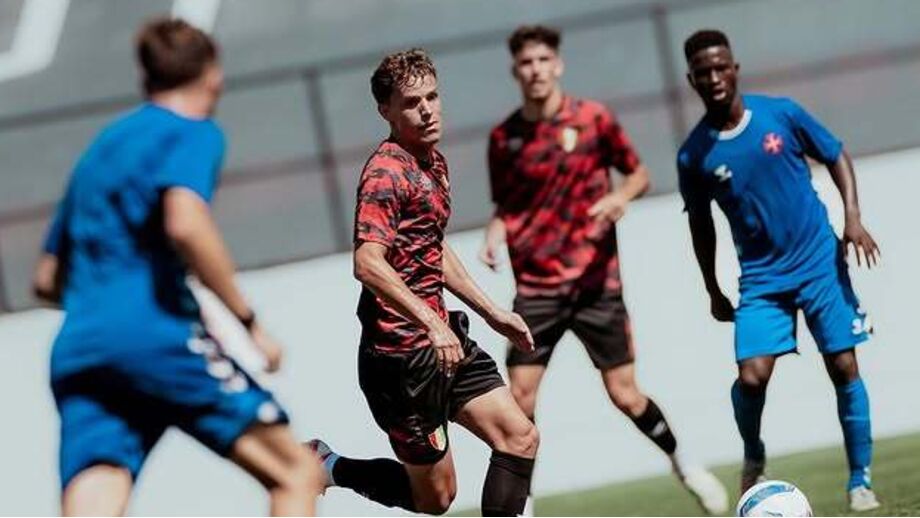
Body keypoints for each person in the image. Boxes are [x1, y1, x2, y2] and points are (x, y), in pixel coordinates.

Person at [32, 18, 323, 516]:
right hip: (155, 334)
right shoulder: (191, 131)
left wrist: (104, 305)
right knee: (298, 472)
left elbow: (45, 279)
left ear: (148, 81)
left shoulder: (100, 151)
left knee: (98, 488)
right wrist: (248, 323)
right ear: (213, 76)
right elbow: (186, 223)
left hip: (81, 348)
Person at [480, 25, 728, 515]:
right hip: (536, 290)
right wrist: (494, 231)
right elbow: (506, 205)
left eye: (543, 60)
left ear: (558, 65)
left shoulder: (594, 119)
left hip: (596, 285)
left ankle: (684, 462)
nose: (535, 70)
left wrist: (619, 196)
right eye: (526, 63)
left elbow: (639, 173)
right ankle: (523, 504)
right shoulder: (504, 138)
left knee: (624, 394)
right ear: (515, 71)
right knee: (518, 403)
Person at [306, 48, 540, 517]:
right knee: (435, 499)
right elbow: (368, 262)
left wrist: (490, 311)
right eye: (413, 102)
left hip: (443, 341)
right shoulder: (386, 172)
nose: (427, 109)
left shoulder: (432, 161)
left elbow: (430, 248)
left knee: (520, 436)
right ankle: (325, 466)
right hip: (401, 360)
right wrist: (431, 323)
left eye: (432, 97)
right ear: (386, 111)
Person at [678, 29, 881, 512]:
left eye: (720, 66)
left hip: (818, 263)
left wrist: (852, 218)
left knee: (843, 365)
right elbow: (701, 226)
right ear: (692, 80)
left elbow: (835, 153)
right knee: (752, 376)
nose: (714, 77)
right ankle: (754, 453)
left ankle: (860, 480)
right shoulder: (694, 154)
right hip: (762, 278)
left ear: (734, 68)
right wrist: (711, 288)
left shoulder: (781, 113)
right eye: (703, 71)